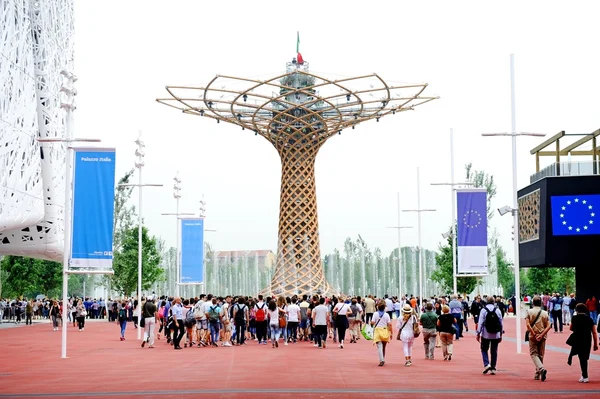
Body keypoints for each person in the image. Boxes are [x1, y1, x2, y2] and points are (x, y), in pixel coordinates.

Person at [567, 303, 599, 383]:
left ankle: (585, 375)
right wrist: (595, 344)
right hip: (587, 339)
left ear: (576, 310)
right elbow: (594, 332)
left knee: (581, 357)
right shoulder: (589, 319)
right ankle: (584, 375)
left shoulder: (574, 318)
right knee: (584, 357)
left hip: (577, 339)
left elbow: (571, 328)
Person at [526, 296, 551, 381]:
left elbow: (528, 325)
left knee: (533, 353)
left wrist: (534, 334)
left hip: (533, 336)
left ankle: (540, 369)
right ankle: (538, 374)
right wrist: (542, 334)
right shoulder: (545, 313)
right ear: (541, 303)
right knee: (540, 354)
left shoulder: (529, 312)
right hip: (542, 336)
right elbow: (548, 326)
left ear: (533, 303)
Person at [477, 296, 503, 375]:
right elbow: (501, 323)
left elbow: (480, 322)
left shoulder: (483, 310)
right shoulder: (497, 310)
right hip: (496, 333)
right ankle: (493, 367)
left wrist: (478, 333)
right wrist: (501, 333)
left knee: (484, 349)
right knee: (494, 350)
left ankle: (486, 364)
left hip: (486, 333)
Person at [371, 301, 392, 366]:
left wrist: (371, 324)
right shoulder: (387, 315)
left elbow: (372, 322)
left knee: (379, 346)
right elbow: (389, 324)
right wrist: (391, 333)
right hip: (385, 330)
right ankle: (383, 358)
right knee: (384, 346)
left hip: (377, 330)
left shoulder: (375, 314)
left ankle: (381, 360)